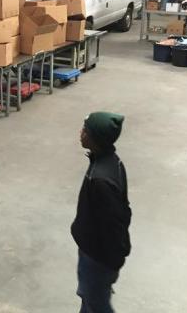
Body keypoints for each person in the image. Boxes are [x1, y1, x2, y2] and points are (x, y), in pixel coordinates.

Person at [71, 112, 132, 313]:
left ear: (96, 138)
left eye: (85, 130)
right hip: (95, 252)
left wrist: (112, 262)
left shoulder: (100, 180)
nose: (81, 133)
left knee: (96, 303)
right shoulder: (112, 161)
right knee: (89, 300)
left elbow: (112, 225)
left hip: (97, 258)